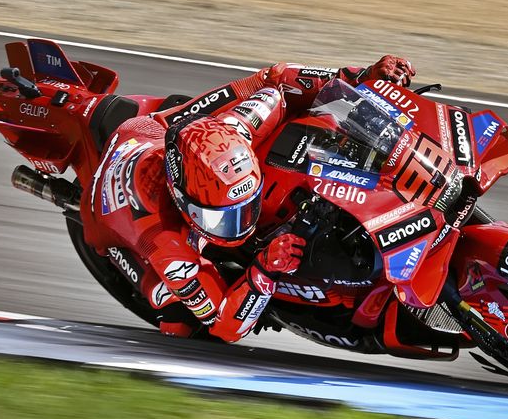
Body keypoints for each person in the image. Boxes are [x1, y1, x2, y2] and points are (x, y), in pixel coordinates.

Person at [80, 55, 416, 342]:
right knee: (181, 324)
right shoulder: (164, 242)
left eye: (247, 207)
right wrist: (264, 270)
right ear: (182, 200)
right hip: (108, 219)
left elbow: (279, 78)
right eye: (222, 218)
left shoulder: (241, 125)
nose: (243, 226)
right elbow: (226, 326)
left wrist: (363, 75)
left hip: (154, 129)